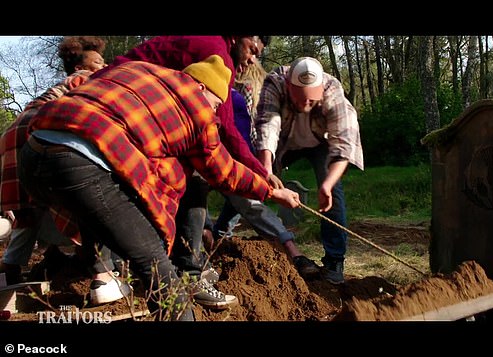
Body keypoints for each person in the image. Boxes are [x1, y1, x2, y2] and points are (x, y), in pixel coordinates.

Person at [18, 54, 301, 321]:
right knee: (155, 265)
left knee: (102, 216)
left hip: (31, 155)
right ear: (201, 87)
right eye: (216, 104)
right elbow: (222, 170)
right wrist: (272, 191)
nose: (214, 113)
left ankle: (103, 278)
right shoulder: (197, 107)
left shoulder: (135, 69)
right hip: (78, 164)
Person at [92, 36, 285, 307]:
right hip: (122, 108)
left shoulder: (204, 43)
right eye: (252, 49)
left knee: (102, 177)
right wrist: (262, 178)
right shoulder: (217, 54)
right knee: (194, 179)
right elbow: (225, 131)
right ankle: (187, 274)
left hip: (110, 100)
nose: (252, 59)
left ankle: (107, 271)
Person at [0, 36, 130, 305]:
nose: (103, 65)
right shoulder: (87, 80)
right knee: (92, 197)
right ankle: (102, 275)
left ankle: (10, 274)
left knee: (29, 212)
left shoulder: (59, 86)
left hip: (16, 132)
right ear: (78, 67)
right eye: (97, 62)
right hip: (42, 129)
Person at [255, 57, 364, 284]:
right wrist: (265, 170)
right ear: (289, 86)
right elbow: (267, 126)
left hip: (319, 142)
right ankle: (258, 244)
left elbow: (344, 142)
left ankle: (335, 260)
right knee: (256, 180)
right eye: (300, 98)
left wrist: (327, 184)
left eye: (312, 101)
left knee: (332, 189)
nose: (306, 105)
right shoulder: (274, 83)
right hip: (283, 142)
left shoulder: (332, 90)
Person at [212, 59, 321, 280]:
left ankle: (219, 245)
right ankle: (208, 247)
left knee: (245, 202)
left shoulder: (236, 101)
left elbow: (241, 143)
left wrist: (263, 175)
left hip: (233, 161)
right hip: (202, 162)